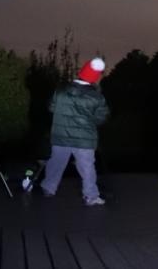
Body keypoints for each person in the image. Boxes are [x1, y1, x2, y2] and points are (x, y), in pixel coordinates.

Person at [40, 56, 109, 205]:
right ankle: (90, 196)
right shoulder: (97, 97)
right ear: (94, 78)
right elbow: (101, 117)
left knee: (56, 162)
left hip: (60, 135)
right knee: (87, 167)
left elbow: (51, 108)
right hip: (84, 138)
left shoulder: (60, 91)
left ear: (81, 73)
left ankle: (48, 188)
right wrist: (88, 123)